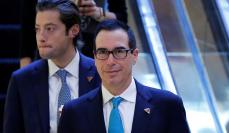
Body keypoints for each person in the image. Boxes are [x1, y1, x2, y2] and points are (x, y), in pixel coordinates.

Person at [58, 19, 190, 133]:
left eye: (119, 51)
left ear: (135, 55)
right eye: (102, 52)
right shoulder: (74, 112)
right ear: (95, 57)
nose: (110, 61)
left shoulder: (167, 106)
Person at [3, 1, 100, 133]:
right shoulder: (21, 80)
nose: (41, 37)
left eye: (49, 29)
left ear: (74, 30)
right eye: (38, 29)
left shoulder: (100, 73)